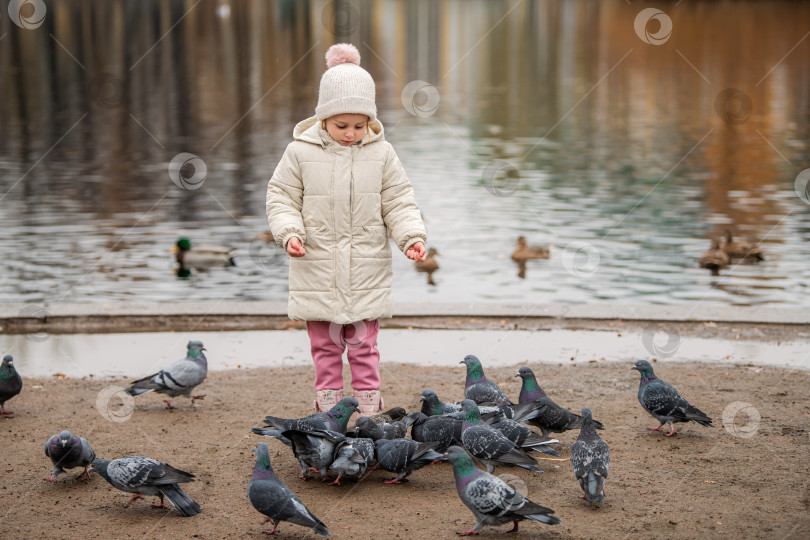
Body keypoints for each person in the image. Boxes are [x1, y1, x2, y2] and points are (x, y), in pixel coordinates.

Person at [266, 43, 427, 415]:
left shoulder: (382, 154)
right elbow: (281, 197)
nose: (351, 133)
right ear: (323, 117)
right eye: (342, 125)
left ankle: (369, 406)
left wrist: (411, 237)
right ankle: (329, 407)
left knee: (364, 345)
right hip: (316, 264)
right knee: (324, 345)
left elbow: (399, 201)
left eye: (359, 125)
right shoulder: (299, 152)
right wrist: (290, 232)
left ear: (370, 120)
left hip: (365, 269)